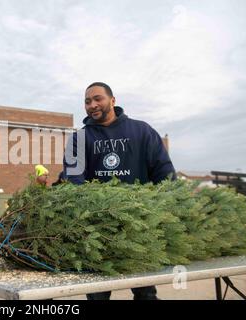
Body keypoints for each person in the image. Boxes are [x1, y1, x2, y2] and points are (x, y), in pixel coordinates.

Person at [63, 82, 176, 300]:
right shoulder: (79, 139)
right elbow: (74, 180)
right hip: (97, 231)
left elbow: (164, 172)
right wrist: (95, 212)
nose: (92, 105)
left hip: (141, 227)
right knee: (97, 296)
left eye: (98, 99)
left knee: (146, 295)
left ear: (113, 100)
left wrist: (166, 205)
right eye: (87, 102)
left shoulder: (141, 131)